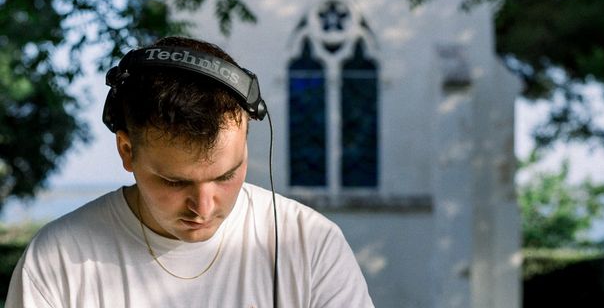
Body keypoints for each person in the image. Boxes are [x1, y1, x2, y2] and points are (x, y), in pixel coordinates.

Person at [6, 36, 374, 308]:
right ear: (127, 151)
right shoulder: (57, 261)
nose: (203, 206)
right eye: (175, 181)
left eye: (226, 175)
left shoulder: (310, 246)